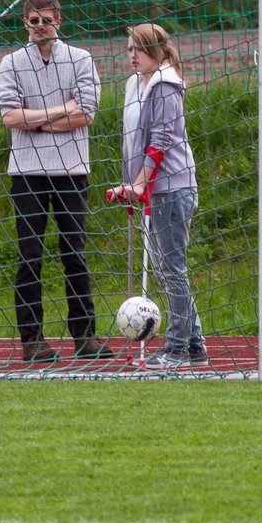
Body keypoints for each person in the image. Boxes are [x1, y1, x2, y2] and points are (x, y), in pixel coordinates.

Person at [0, 0, 114, 362]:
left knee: (73, 254)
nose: (40, 27)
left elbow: (88, 113)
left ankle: (84, 336)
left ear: (58, 21)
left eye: (47, 20)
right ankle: (33, 340)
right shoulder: (11, 63)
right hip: (26, 171)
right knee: (30, 255)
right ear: (25, 24)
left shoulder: (81, 59)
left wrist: (36, 120)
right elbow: (9, 117)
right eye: (33, 21)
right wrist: (59, 112)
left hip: (71, 170)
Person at [109, 22, 207, 370]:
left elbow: (159, 142)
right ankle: (195, 346)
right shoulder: (135, 84)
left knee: (172, 268)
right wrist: (130, 185)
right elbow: (132, 141)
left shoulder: (166, 84)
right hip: (152, 187)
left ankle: (178, 347)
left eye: (138, 48)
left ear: (158, 51)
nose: (132, 55)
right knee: (168, 269)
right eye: (129, 48)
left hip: (173, 186)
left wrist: (139, 184)